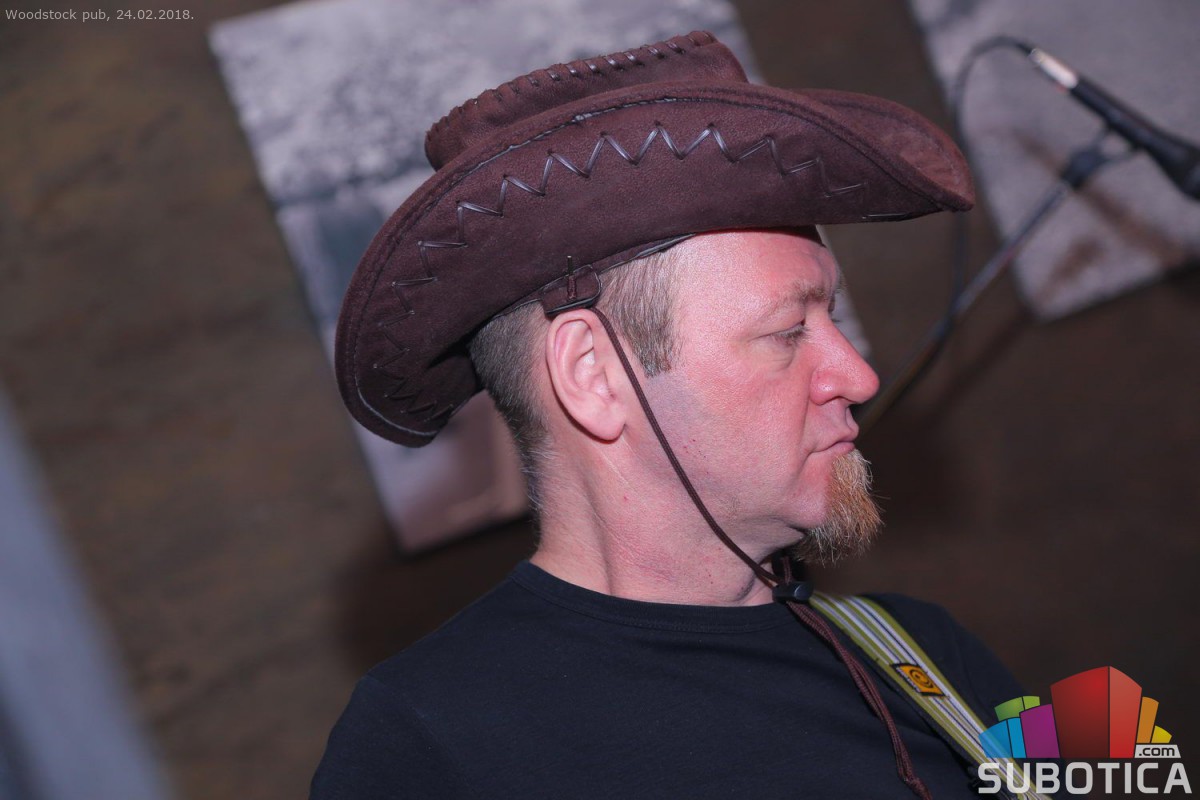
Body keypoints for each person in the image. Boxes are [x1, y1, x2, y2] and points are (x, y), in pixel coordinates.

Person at [313, 31, 1029, 799]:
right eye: (788, 332)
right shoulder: (428, 747)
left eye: (835, 321)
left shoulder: (927, 657)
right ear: (593, 376)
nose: (859, 376)